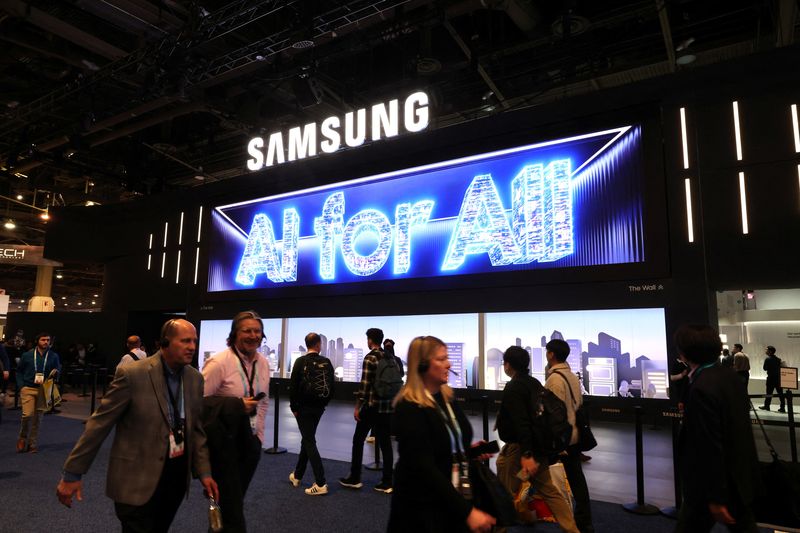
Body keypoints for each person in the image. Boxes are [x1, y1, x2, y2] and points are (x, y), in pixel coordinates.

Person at [56, 319, 219, 532]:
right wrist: (72, 474)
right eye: (185, 341)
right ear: (165, 343)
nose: (192, 347)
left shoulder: (195, 379)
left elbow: (196, 430)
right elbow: (99, 424)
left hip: (174, 479)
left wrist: (204, 472)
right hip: (135, 480)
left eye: (194, 341)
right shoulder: (133, 374)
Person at [388, 335, 496, 533]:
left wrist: (466, 451)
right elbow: (424, 468)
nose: (448, 364)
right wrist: (467, 512)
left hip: (448, 499)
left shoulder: (446, 397)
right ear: (421, 366)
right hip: (422, 508)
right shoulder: (409, 408)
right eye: (441, 359)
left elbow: (442, 446)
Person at [674, 324, 760, 532]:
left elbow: (708, 445)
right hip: (738, 477)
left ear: (684, 354)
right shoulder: (729, 377)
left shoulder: (703, 387)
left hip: (711, 485)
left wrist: (716, 496)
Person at [495, 346, 579, 533]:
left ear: (508, 365)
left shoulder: (514, 387)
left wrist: (526, 454)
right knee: (548, 490)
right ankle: (571, 529)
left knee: (504, 490)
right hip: (537, 448)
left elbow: (522, 423)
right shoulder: (533, 383)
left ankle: (500, 527)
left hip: (521, 450)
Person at [202, 310, 270, 532]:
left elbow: (264, 403)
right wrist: (236, 405)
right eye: (247, 330)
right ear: (234, 334)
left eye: (257, 331)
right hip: (224, 445)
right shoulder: (219, 362)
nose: (253, 335)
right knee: (233, 509)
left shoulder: (263, 363)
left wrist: (259, 437)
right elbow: (198, 403)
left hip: (250, 444)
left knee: (232, 502)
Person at [545, 340, 595, 533]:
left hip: (561, 439)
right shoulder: (572, 376)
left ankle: (522, 510)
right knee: (577, 479)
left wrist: (556, 442)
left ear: (551, 355)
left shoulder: (554, 380)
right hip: (573, 436)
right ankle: (584, 521)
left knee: (538, 475)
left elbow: (553, 414)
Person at [339, 327, 394, 493]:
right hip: (387, 407)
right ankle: (387, 482)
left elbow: (364, 387)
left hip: (372, 406)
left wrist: (357, 407)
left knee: (358, 439)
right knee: (385, 443)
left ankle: (355, 478)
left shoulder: (370, 358)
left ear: (370, 340)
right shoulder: (390, 357)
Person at [289, 332, 335, 495]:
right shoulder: (326, 362)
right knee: (307, 439)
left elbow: (293, 386)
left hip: (304, 408)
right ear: (318, 345)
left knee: (309, 440)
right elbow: (332, 386)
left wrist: (293, 407)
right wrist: (324, 404)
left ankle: (321, 482)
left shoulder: (300, 362)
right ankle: (297, 475)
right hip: (319, 408)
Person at [16, 332, 61, 453]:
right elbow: (19, 371)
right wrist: (21, 386)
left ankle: (32, 443)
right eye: (43, 340)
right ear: (37, 341)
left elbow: (58, 369)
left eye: (48, 340)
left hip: (44, 389)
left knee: (38, 418)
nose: (46, 342)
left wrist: (56, 373)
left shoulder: (53, 356)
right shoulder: (27, 355)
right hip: (28, 388)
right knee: (27, 415)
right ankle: (22, 438)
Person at [760, 345, 785, 413]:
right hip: (778, 379)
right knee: (780, 393)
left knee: (769, 393)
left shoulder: (768, 359)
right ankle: (782, 407)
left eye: (767, 350)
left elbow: (765, 368)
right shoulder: (778, 359)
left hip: (771, 379)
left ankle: (767, 406)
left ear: (770, 351)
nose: (766, 351)